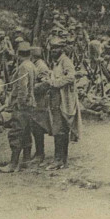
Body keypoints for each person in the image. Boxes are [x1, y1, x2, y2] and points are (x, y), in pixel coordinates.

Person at [0, 42, 36, 173]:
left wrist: (19, 103)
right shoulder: (31, 65)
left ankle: (13, 164)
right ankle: (26, 162)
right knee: (26, 133)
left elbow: (22, 88)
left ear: (18, 54)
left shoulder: (22, 67)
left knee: (16, 133)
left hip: (22, 105)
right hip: (31, 104)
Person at [46, 37, 81, 170]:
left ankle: (59, 160)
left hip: (64, 99)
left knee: (60, 129)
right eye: (52, 48)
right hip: (56, 99)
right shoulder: (57, 63)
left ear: (61, 49)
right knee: (58, 129)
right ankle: (61, 159)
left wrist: (55, 83)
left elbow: (71, 76)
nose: (53, 51)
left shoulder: (65, 61)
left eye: (56, 49)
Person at [29, 46, 52, 164]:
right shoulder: (35, 64)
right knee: (35, 126)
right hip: (36, 100)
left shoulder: (41, 66)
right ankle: (38, 152)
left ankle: (40, 153)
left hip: (40, 101)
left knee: (38, 127)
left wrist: (31, 89)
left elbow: (46, 83)